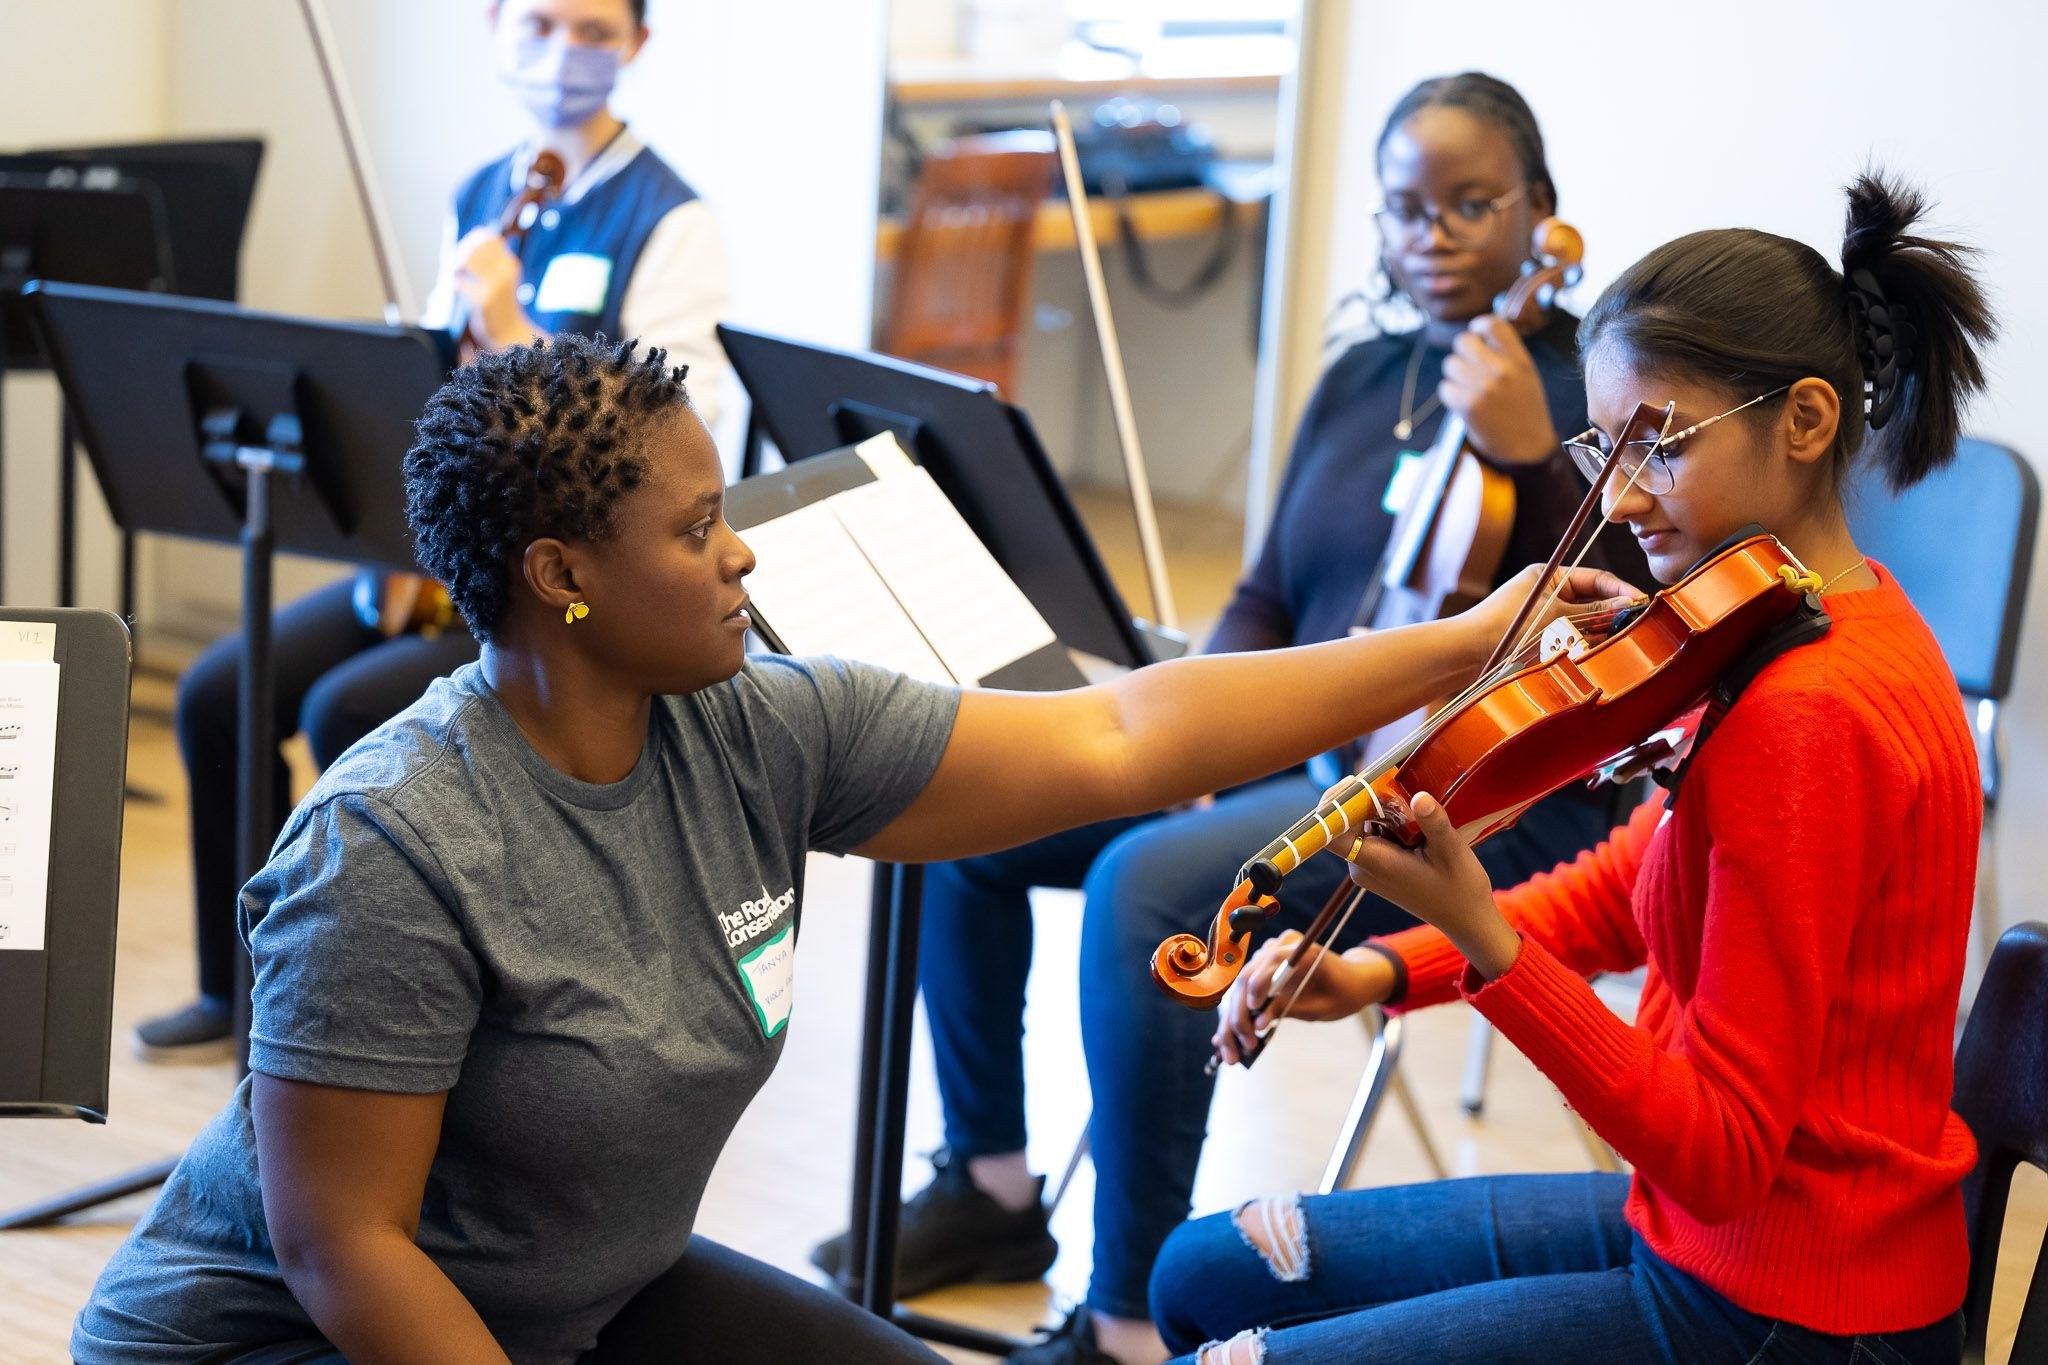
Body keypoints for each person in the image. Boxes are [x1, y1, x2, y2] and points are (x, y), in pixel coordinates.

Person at [72, 331, 1626, 1362]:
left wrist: (1471, 643)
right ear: (562, 577)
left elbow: (1125, 734)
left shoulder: (757, 723)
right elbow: (344, 1251)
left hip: (576, 1296)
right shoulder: (393, 847)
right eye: (693, 530)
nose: (742, 546)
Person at [810, 72, 1649, 1365]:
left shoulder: (1590, 386)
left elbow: (1630, 622)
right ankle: (989, 1192)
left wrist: (1542, 454)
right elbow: (1263, 590)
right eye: (1404, 209)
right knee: (977, 814)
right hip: (1310, 755)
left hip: (1469, 802)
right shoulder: (1367, 374)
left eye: (1471, 206)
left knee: (1148, 888)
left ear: (1539, 212)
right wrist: (1194, 725)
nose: (1432, 236)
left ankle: (1129, 1323)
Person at [1149, 171, 1994, 1365]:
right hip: (1720, 1242)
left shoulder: (1810, 711)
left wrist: (1485, 945)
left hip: (1784, 1308)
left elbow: (1718, 1152)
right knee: (1200, 1270)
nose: (1623, 492)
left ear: (1803, 421)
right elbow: (1621, 893)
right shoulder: (1802, 626)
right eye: (1605, 444)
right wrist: (1379, 967)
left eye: (1662, 443)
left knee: (1221, 1342)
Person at [134, 0, 729, 1061]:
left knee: (344, 709)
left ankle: (403, 1014)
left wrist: (508, 330)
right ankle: (249, 990)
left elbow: (683, 432)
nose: (562, 55)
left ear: (638, 45)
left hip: (566, 593)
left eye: (594, 31)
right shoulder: (484, 196)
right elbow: (440, 404)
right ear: (495, 28)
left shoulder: (667, 215)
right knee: (221, 690)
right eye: (538, 23)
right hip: (438, 567)